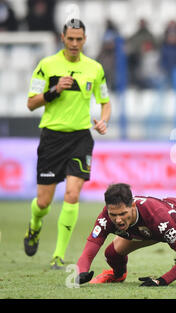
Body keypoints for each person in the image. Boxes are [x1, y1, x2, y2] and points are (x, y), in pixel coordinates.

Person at [23, 19, 112, 270]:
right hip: (52, 137)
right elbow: (31, 103)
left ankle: (57, 256)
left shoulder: (94, 68)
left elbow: (105, 101)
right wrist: (53, 90)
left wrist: (104, 121)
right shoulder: (47, 65)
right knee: (43, 203)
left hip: (80, 138)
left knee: (72, 195)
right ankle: (35, 227)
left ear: (85, 40)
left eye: (78, 39)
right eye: (70, 39)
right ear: (62, 38)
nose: (74, 43)